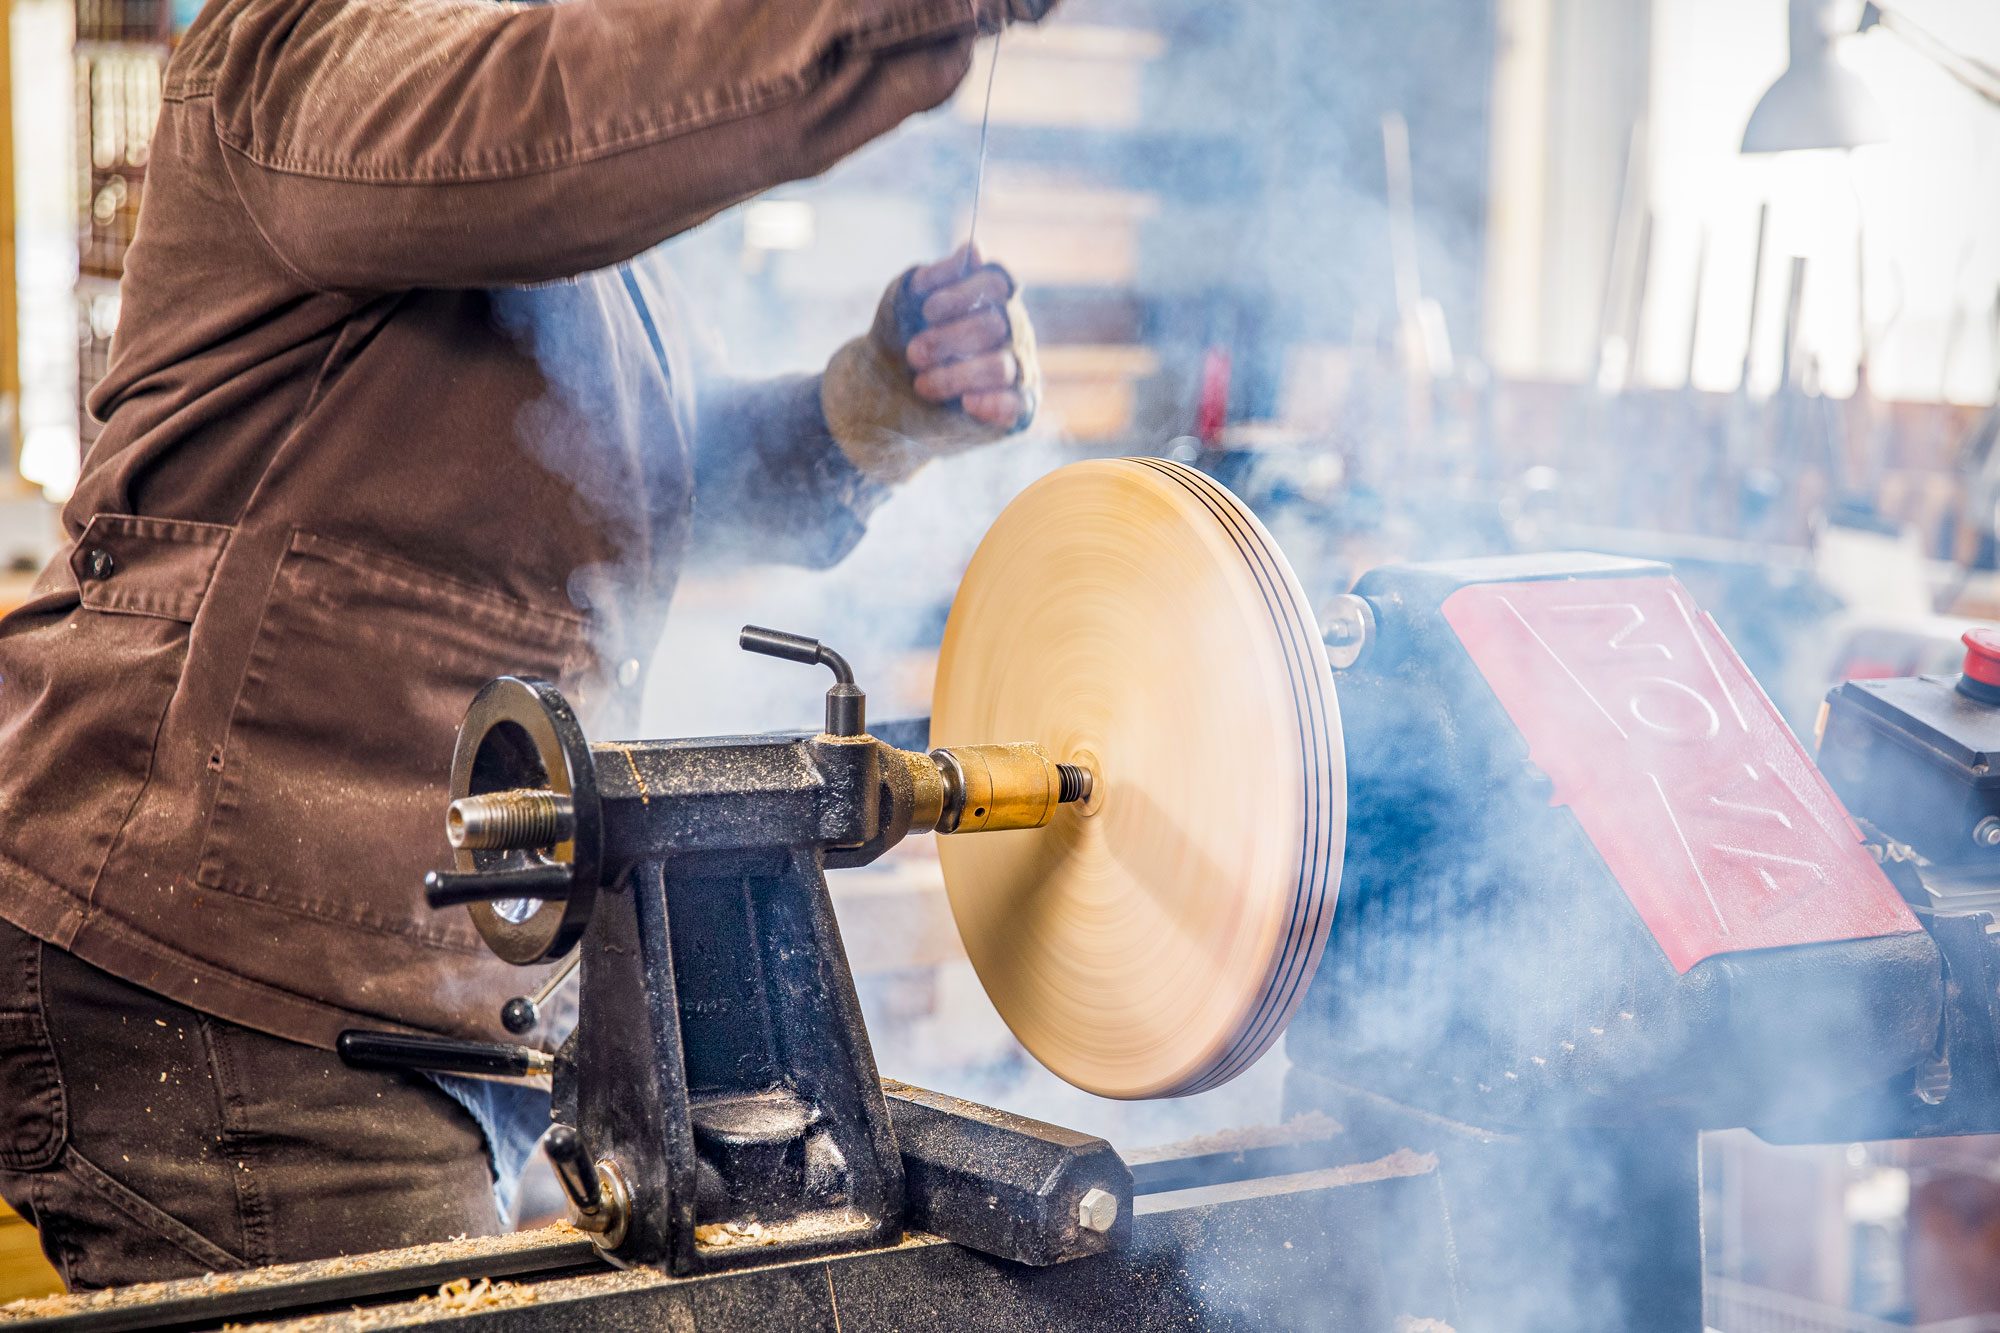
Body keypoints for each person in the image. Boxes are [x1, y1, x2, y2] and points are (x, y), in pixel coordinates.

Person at [0, 0, 1057, 1290]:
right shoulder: (314, 46)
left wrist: (881, 399)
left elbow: (660, 490)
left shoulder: (603, 268)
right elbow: (552, 100)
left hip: (415, 980)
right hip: (229, 969)